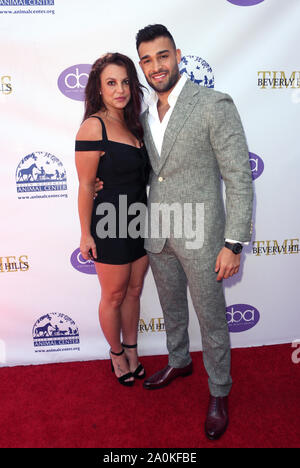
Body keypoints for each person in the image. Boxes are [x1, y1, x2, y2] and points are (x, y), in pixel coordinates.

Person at [135, 24, 253, 440]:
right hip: (159, 232)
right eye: (146, 59)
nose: (155, 66)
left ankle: (219, 389)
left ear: (178, 55)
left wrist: (233, 242)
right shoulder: (144, 112)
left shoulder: (212, 104)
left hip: (204, 236)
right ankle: (179, 359)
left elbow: (238, 176)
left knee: (212, 317)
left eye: (162, 56)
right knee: (172, 308)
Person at [75, 53, 150, 387]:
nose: (120, 89)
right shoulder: (94, 125)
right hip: (109, 223)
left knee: (134, 291)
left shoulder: (136, 124)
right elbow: (87, 184)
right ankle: (116, 352)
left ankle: (133, 349)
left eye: (125, 82)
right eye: (111, 83)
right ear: (99, 89)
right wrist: (85, 234)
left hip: (141, 219)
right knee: (114, 295)